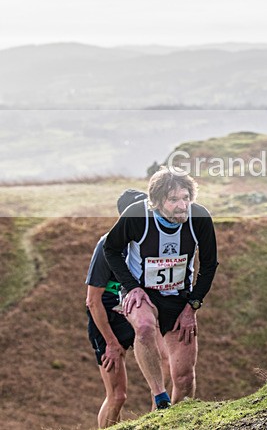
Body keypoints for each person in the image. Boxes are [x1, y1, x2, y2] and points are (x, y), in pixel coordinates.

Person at [104, 168, 219, 409]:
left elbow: (209, 265)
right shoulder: (136, 215)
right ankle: (159, 396)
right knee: (144, 327)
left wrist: (193, 306)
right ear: (157, 202)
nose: (182, 206)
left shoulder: (199, 219)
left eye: (186, 198)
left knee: (185, 379)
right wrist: (131, 287)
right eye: (174, 199)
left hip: (179, 297)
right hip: (143, 293)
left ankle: (170, 421)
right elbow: (111, 250)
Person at [86, 189, 157, 427]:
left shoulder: (152, 240)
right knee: (118, 396)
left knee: (161, 384)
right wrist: (111, 343)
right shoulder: (107, 245)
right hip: (108, 319)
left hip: (136, 312)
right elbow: (92, 301)